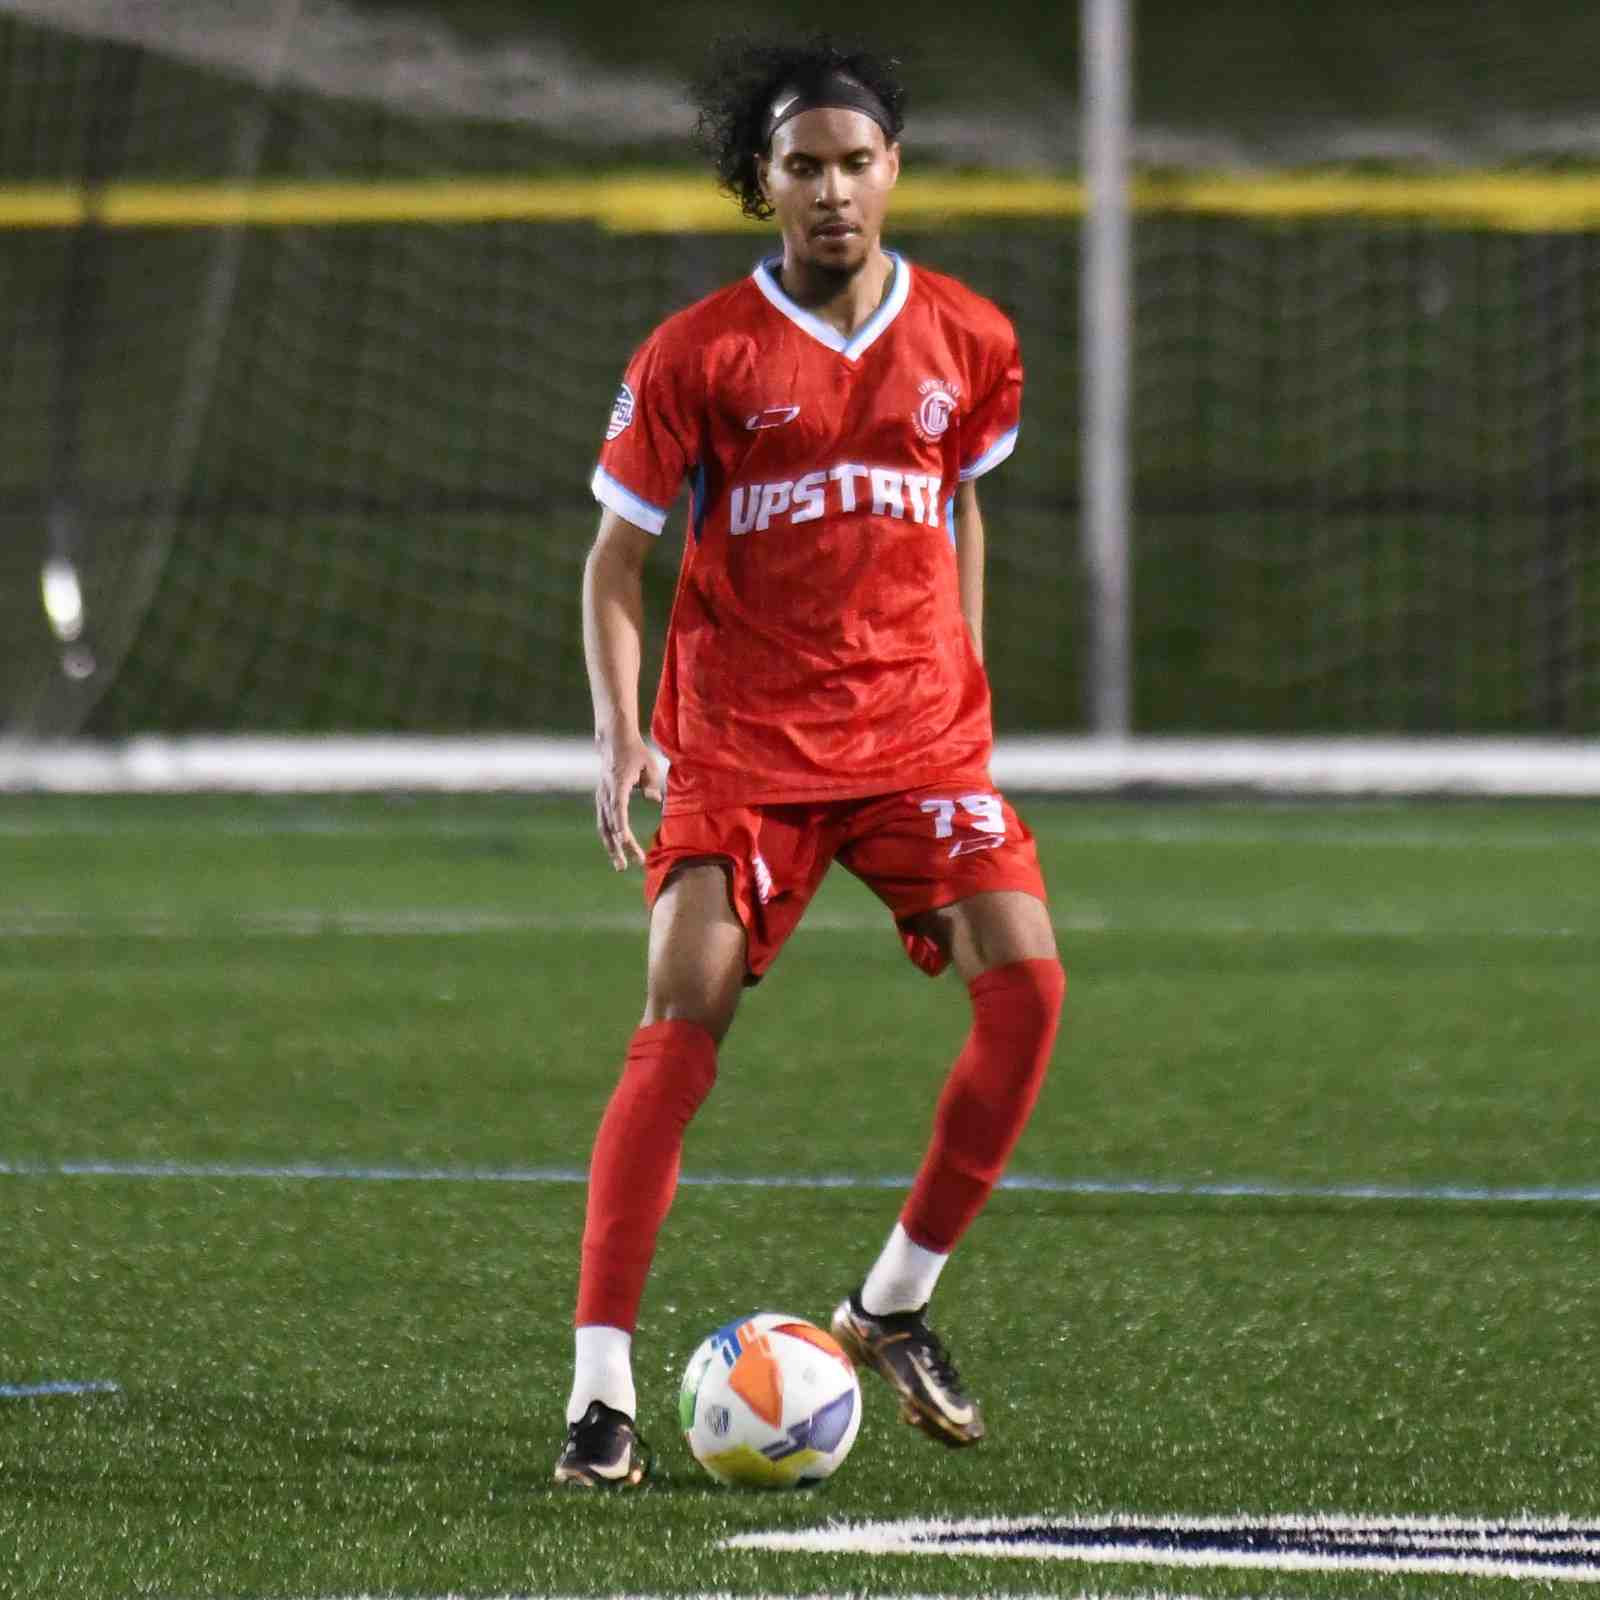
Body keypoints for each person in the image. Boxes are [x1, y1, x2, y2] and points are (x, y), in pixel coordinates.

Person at [555, 34, 1065, 1488]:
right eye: (802, 166)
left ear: (893, 169)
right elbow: (614, 561)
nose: (833, 190)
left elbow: (961, 507)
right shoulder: (696, 354)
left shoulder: (970, 336)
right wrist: (621, 730)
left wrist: (965, 681)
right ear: (761, 184)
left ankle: (893, 1303)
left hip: (915, 735)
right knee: (677, 1030)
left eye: (856, 162)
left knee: (1027, 991)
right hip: (747, 744)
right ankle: (601, 1394)